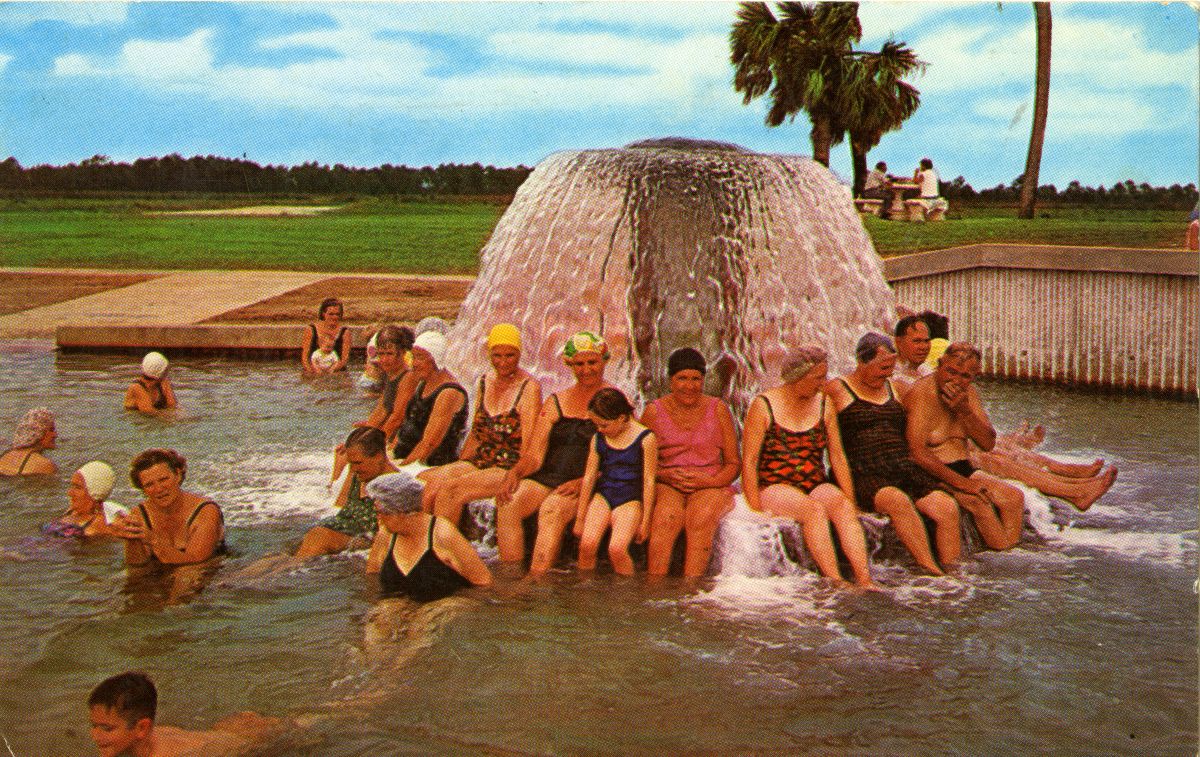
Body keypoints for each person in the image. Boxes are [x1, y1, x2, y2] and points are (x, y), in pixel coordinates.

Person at [826, 333, 961, 575]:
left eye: (890, 368)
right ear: (861, 362)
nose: (887, 373)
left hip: (901, 466)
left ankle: (954, 570)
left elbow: (927, 412)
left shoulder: (895, 387)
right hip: (863, 471)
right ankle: (931, 569)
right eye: (882, 367)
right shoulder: (837, 389)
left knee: (946, 506)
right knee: (897, 501)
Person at [743, 346, 876, 588]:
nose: (823, 384)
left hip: (813, 481)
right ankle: (835, 579)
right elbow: (750, 461)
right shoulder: (764, 405)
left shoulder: (825, 404)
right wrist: (754, 509)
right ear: (797, 378)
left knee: (842, 506)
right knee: (813, 511)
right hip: (775, 485)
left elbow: (837, 457)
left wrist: (851, 499)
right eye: (817, 378)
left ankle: (865, 579)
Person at [494, 331, 612, 573]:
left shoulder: (615, 400)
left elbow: (624, 458)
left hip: (588, 481)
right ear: (570, 365)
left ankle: (536, 579)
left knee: (552, 508)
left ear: (604, 361)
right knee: (508, 502)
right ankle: (510, 575)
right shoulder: (556, 400)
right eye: (579, 364)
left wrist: (583, 482)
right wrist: (515, 473)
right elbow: (535, 456)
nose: (586, 370)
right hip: (549, 476)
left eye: (592, 362)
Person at [905, 342, 1027, 550]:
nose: (956, 381)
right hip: (930, 473)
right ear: (939, 364)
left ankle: (1009, 563)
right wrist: (963, 484)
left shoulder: (968, 394)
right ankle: (1004, 563)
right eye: (951, 372)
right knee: (981, 505)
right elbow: (916, 453)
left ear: (974, 376)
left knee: (1014, 497)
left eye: (965, 376)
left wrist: (965, 411)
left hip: (963, 467)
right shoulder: (923, 393)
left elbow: (987, 443)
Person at [421, 324, 543, 526]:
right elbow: (476, 434)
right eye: (497, 356)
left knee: (450, 490)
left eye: (510, 356)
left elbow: (528, 446)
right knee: (426, 481)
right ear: (489, 354)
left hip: (507, 466)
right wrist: (460, 465)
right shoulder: (484, 381)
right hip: (480, 460)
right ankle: (422, 539)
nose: (503, 363)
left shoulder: (529, 388)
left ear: (519, 354)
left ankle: (442, 548)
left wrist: (516, 475)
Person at [641, 348, 740, 578]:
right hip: (668, 481)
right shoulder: (653, 412)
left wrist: (709, 481)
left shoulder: (718, 409)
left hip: (710, 482)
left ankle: (691, 590)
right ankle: (654, 591)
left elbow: (734, 464)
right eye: (682, 378)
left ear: (703, 379)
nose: (689, 385)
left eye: (696, 378)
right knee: (666, 518)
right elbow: (640, 461)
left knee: (700, 518)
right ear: (670, 380)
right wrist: (666, 476)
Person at [88, 671, 288, 757]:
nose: (95, 736)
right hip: (229, 729)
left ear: (142, 728)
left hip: (256, 743)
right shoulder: (139, 741)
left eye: (107, 728)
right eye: (94, 725)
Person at [365, 471, 492, 601]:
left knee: (428, 616)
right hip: (399, 603)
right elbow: (372, 576)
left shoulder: (443, 534)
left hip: (444, 604)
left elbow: (483, 583)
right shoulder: (386, 534)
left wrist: (454, 604)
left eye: (380, 513)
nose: (377, 518)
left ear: (400, 511)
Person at [573, 388, 657, 575]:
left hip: (630, 499)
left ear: (621, 417)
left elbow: (649, 481)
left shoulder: (646, 438)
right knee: (587, 545)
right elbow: (589, 477)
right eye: (597, 426)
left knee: (617, 549)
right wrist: (580, 518)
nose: (600, 430)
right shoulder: (598, 438)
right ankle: (583, 592)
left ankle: (626, 594)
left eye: (604, 425)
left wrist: (645, 521)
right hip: (604, 494)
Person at [330, 324, 414, 488]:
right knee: (342, 452)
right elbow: (381, 410)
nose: (384, 359)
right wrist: (361, 436)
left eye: (389, 354)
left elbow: (397, 418)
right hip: (393, 434)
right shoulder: (391, 374)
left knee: (357, 457)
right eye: (381, 354)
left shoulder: (408, 377)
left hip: (404, 439)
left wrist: (372, 444)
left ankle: (342, 499)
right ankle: (332, 489)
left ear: (403, 353)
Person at [111, 449, 226, 566]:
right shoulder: (139, 514)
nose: (159, 489)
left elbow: (196, 561)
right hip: (163, 573)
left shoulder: (206, 511)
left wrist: (153, 541)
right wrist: (131, 538)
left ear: (178, 474)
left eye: (163, 479)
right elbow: (136, 566)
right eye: (149, 485)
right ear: (142, 489)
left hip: (207, 571)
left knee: (188, 576)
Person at [387, 330, 469, 469]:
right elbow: (405, 428)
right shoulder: (423, 383)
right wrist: (388, 452)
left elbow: (429, 445)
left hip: (430, 464)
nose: (414, 364)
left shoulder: (449, 393)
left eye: (420, 358)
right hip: (405, 457)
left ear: (436, 358)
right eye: (413, 357)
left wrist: (398, 470)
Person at [43, 461, 124, 539]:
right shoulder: (73, 511)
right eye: (72, 486)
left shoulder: (95, 529)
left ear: (95, 493)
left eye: (77, 488)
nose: (70, 493)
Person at [0, 407, 57, 475]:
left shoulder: (4, 457)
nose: (55, 435)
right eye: (51, 430)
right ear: (39, 432)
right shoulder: (45, 465)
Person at [301, 297, 351, 373]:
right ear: (323, 314)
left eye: (337, 314)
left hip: (336, 372)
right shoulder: (311, 330)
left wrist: (330, 372)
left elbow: (344, 360)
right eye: (331, 314)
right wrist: (312, 372)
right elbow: (305, 358)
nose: (334, 317)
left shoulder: (345, 332)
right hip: (314, 370)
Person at [891, 314, 933, 393]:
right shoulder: (889, 373)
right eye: (917, 341)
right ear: (899, 342)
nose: (923, 347)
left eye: (927, 341)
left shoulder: (925, 369)